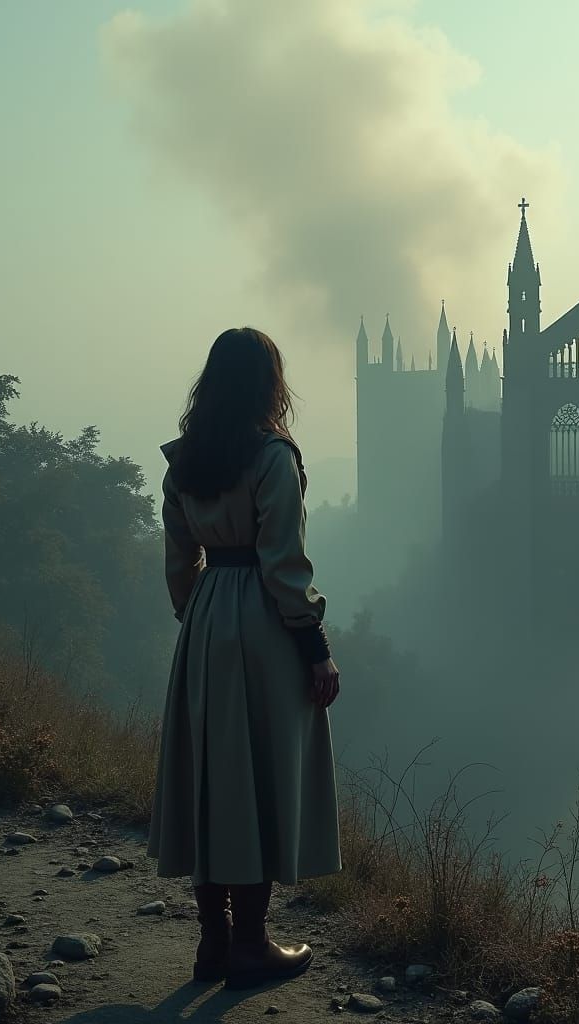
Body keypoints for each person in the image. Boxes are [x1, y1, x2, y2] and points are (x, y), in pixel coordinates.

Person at [145, 326, 343, 990]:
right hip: (260, 620)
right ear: (268, 384)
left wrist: (199, 618)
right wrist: (314, 648)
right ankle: (251, 946)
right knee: (257, 777)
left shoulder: (184, 460)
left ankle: (213, 946)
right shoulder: (272, 458)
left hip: (203, 619)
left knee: (210, 778)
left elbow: (179, 564)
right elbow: (284, 566)